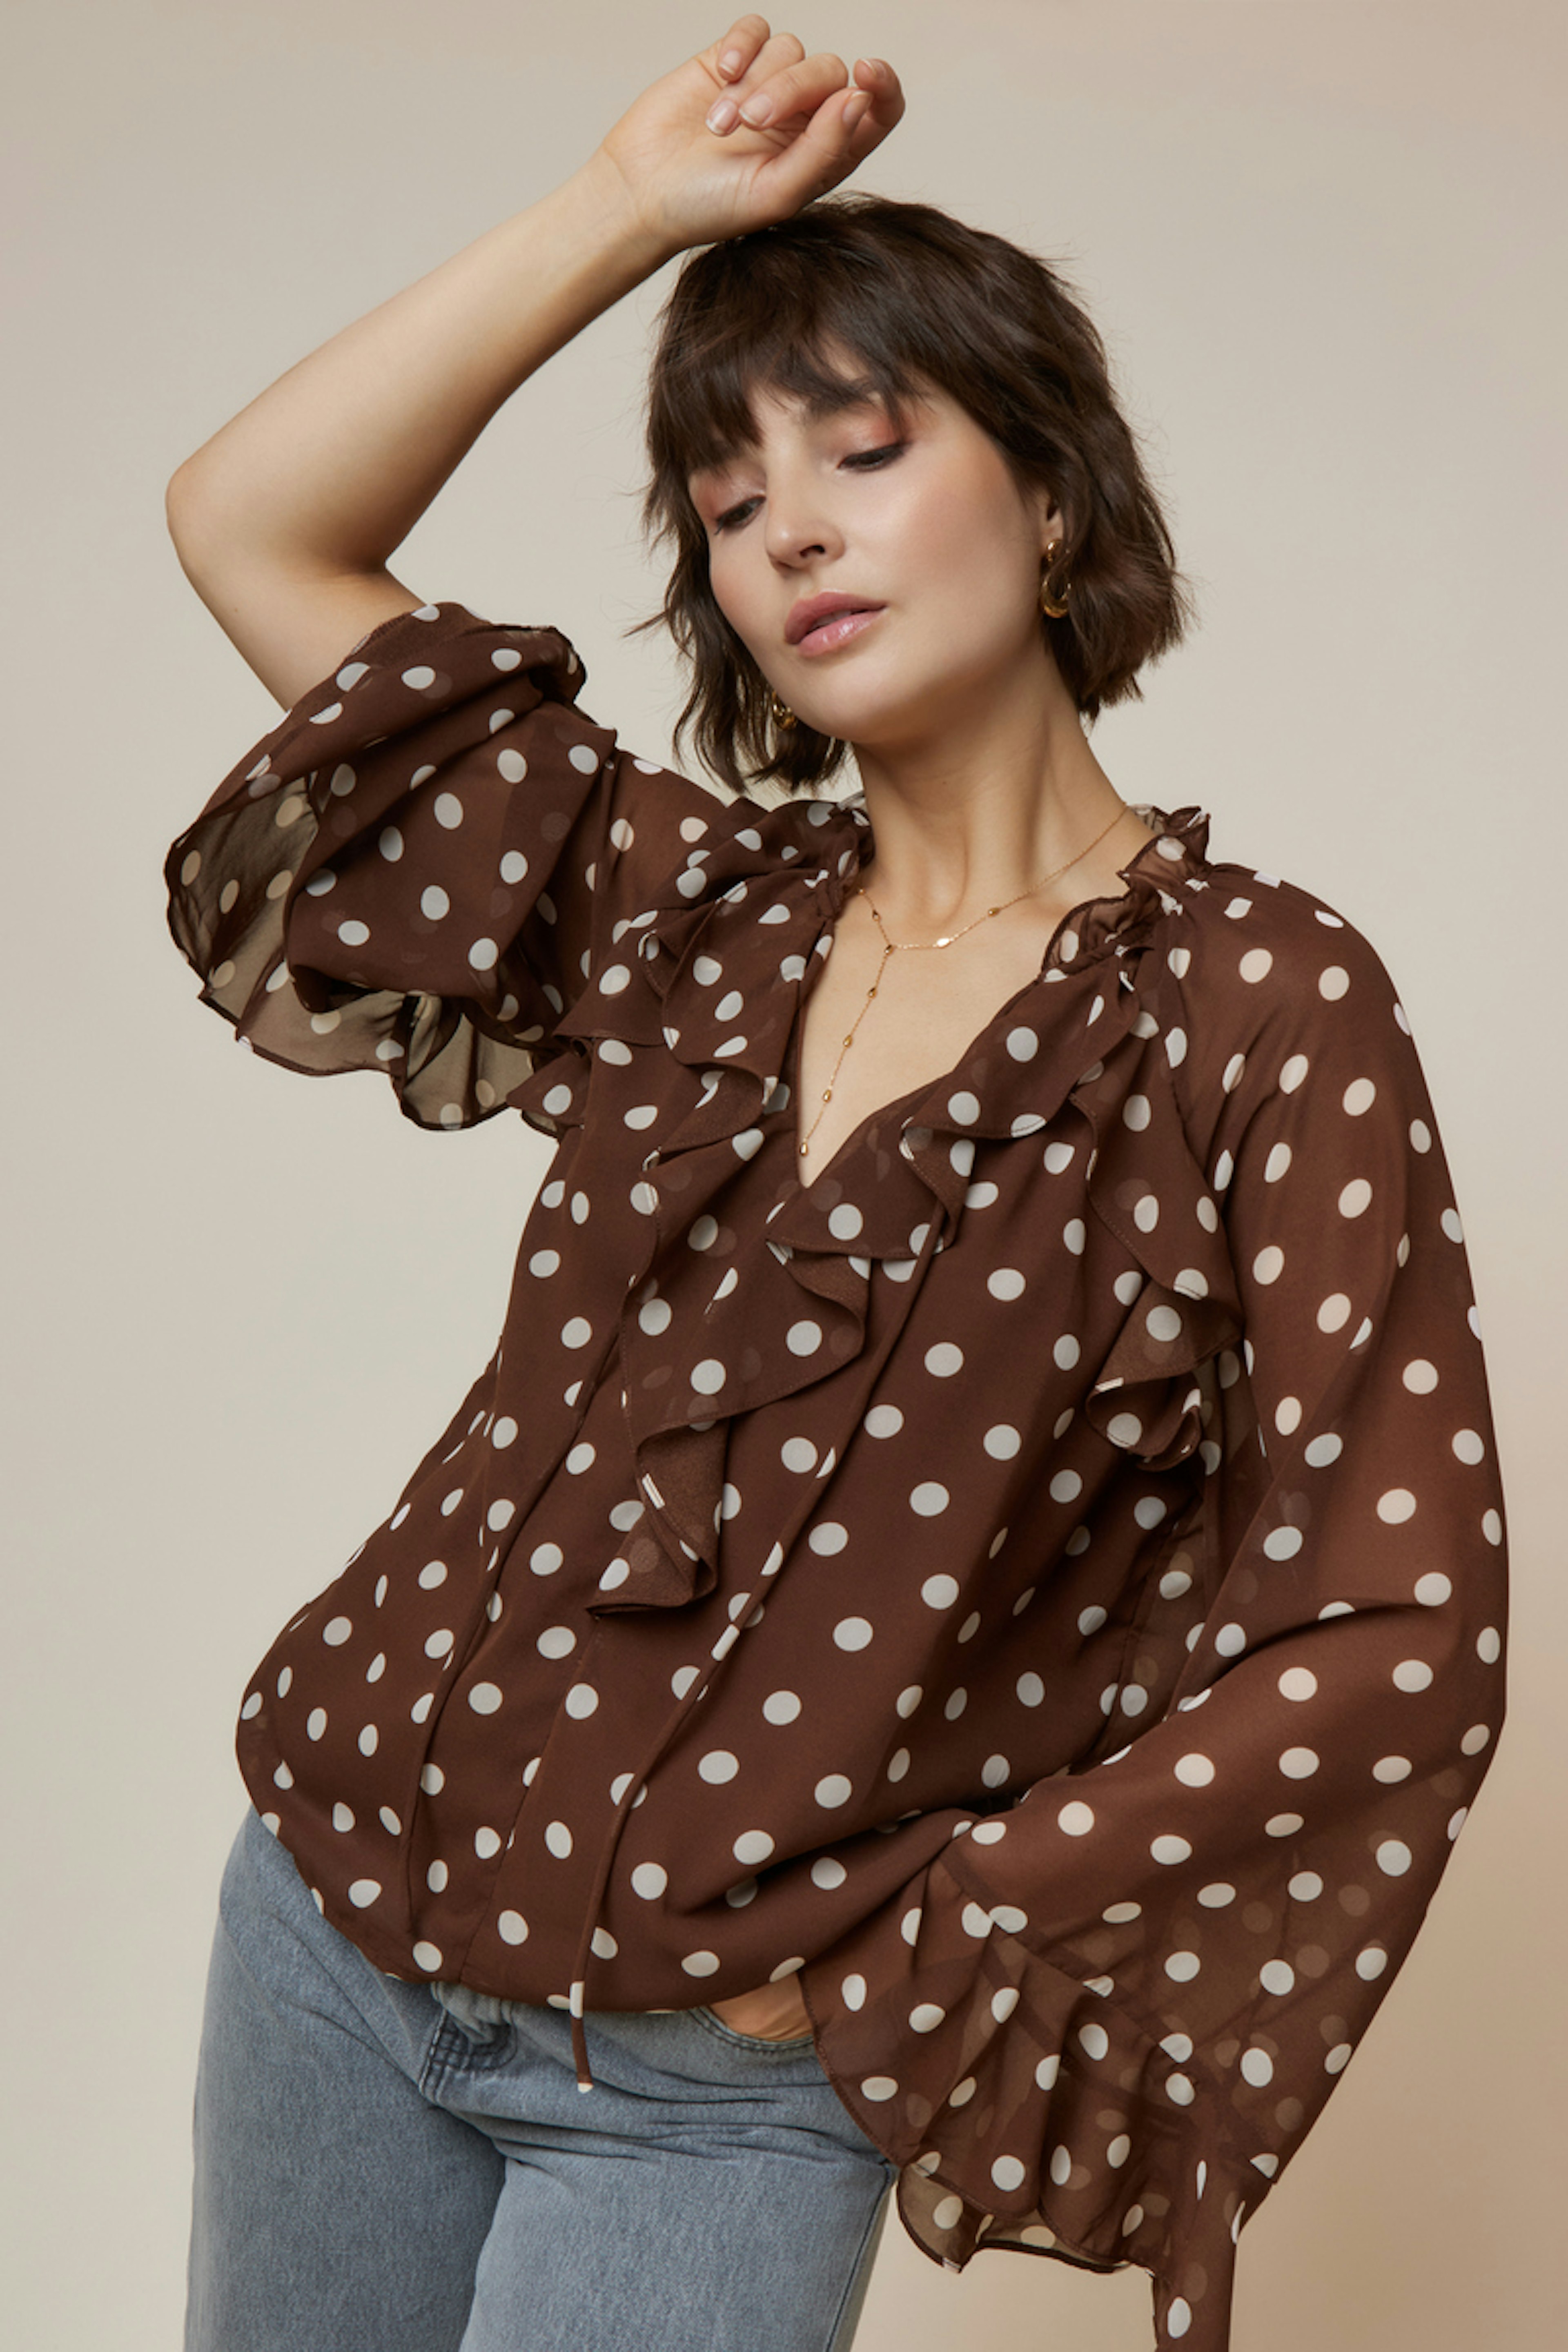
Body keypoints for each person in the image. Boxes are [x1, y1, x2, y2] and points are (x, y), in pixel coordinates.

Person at [163, 19, 1508, 2352]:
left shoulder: (1254, 1004)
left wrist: (943, 1927)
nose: (788, 529)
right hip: (331, 1924)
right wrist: (627, 208)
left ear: (1054, 501)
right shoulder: (688, 909)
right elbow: (248, 521)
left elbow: (1400, 1625)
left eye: (865, 451)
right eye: (725, 501)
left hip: (715, 2083)